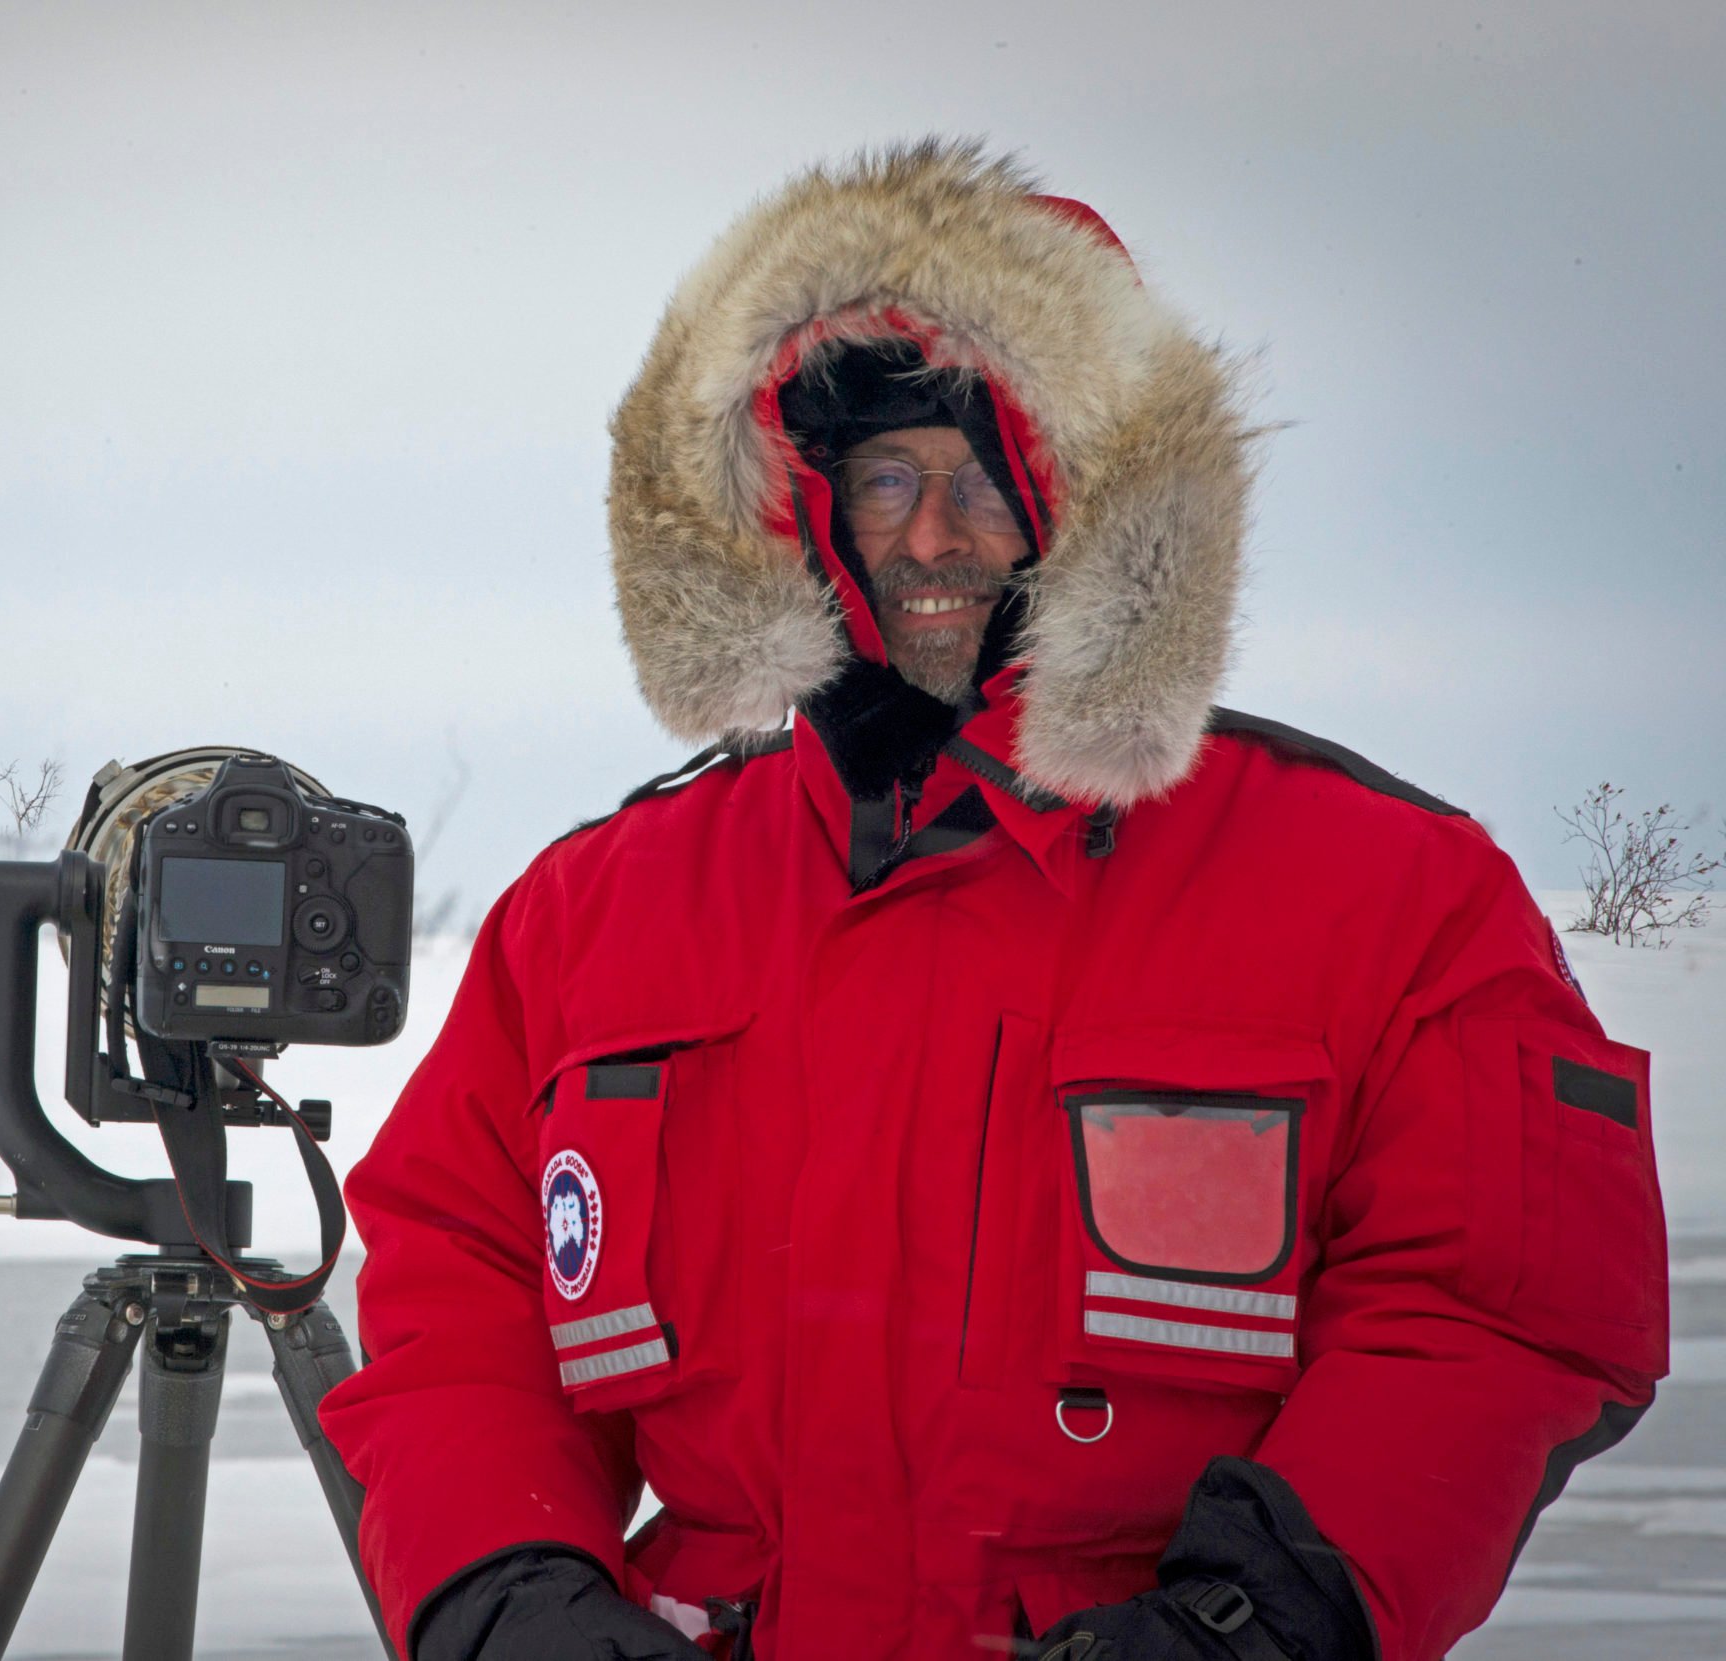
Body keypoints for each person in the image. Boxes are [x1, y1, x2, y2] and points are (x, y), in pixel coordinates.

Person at [315, 140, 1671, 1661]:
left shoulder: (1389, 895)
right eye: (886, 476)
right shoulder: (596, 912)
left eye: (985, 480)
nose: (932, 536)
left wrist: (1259, 1617)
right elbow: (456, 1290)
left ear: (1097, 503)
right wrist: (508, 1588)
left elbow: (1497, 1303)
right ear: (799, 515)